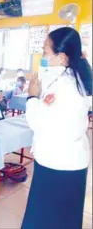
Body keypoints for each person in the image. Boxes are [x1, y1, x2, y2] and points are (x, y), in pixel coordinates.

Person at [22, 27, 92, 229]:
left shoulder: (65, 88)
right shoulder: (78, 76)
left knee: (43, 218)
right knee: (66, 217)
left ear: (61, 57)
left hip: (57, 164)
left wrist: (32, 96)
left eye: (45, 52)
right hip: (72, 160)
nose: (43, 56)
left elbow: (37, 123)